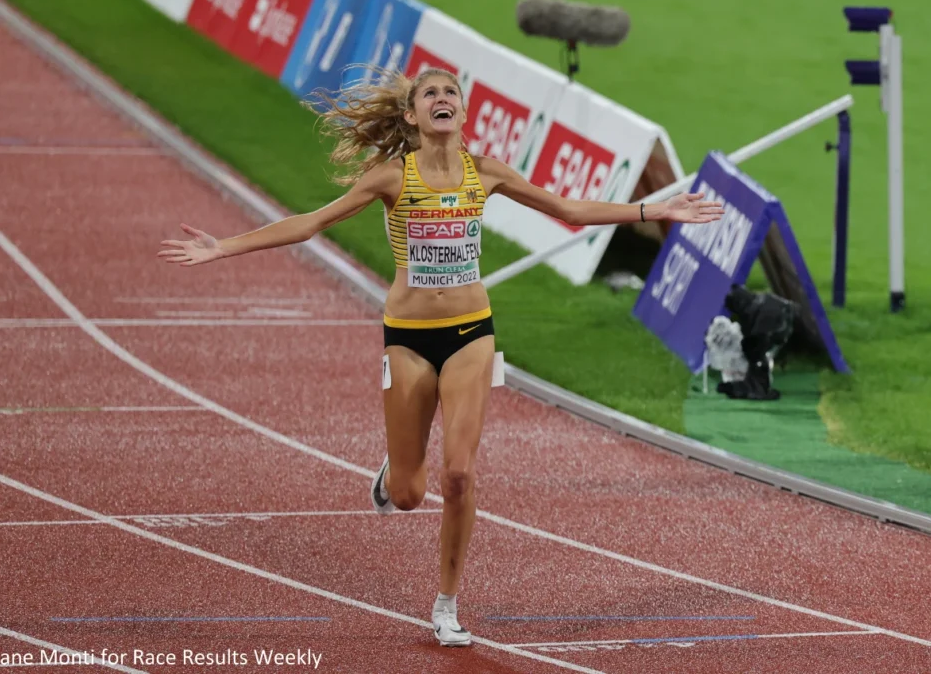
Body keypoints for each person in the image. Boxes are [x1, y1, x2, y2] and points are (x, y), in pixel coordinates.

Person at [157, 65, 724, 647]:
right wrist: (223, 246)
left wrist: (655, 211)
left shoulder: (487, 173)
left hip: (471, 333)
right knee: (407, 494)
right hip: (407, 336)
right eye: (430, 93)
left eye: (451, 91)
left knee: (458, 474)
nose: (442, 98)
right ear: (412, 115)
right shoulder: (390, 178)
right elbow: (312, 224)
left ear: (462, 111)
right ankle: (391, 471)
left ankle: (447, 603)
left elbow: (570, 211)